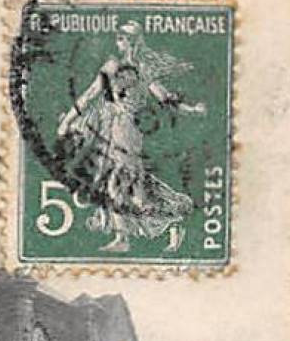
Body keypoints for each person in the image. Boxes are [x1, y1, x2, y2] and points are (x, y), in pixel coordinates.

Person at [53, 21, 205, 254]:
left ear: (130, 41)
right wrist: (67, 121)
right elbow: (91, 96)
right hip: (114, 129)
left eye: (123, 38)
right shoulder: (126, 67)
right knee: (121, 186)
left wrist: (191, 110)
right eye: (119, 38)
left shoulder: (130, 68)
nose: (120, 42)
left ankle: (169, 222)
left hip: (125, 132)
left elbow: (162, 98)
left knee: (126, 189)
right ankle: (126, 236)